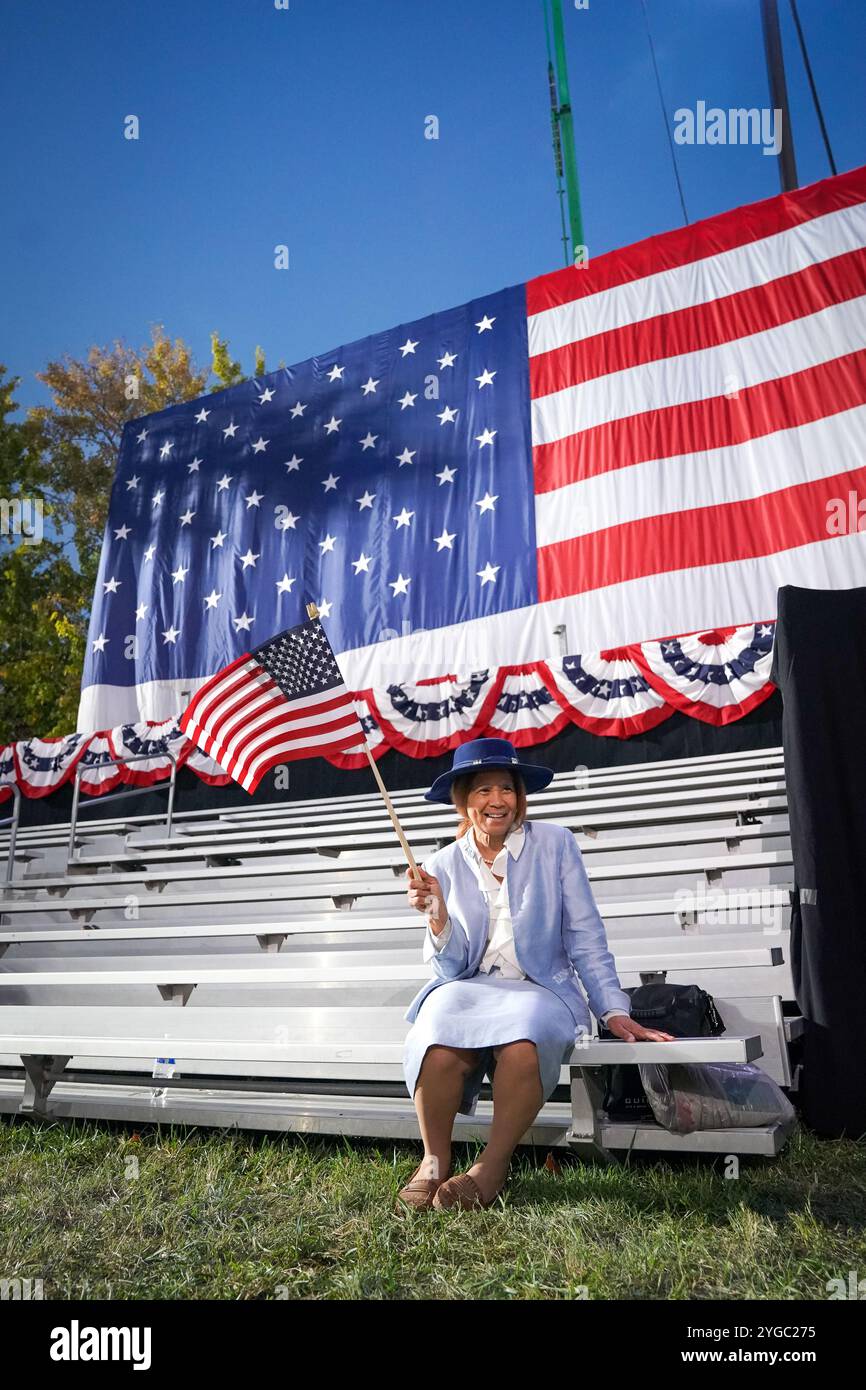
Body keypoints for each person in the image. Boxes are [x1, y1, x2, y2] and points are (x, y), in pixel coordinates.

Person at [396, 737, 675, 1213]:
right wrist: (437, 914)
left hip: (539, 987)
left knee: (525, 1040)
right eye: (483, 790)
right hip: (469, 985)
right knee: (437, 1035)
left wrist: (612, 1008)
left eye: (506, 788)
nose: (497, 800)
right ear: (462, 800)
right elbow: (451, 966)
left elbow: (585, 934)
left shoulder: (555, 844)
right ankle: (434, 1161)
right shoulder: (441, 864)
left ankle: (493, 1164)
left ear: (520, 796)